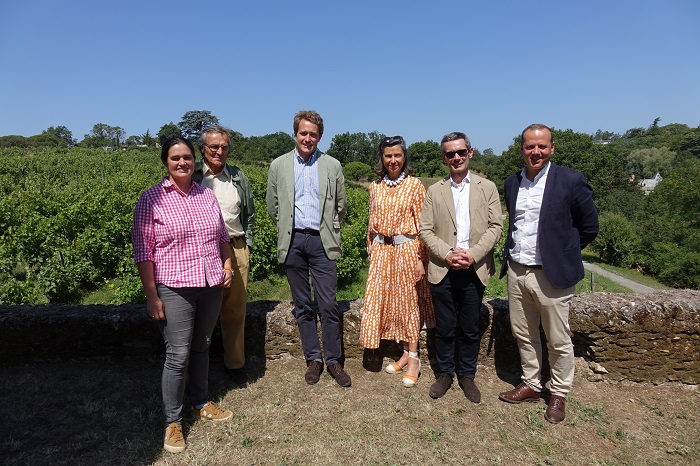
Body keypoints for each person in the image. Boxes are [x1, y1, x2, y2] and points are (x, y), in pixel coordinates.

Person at [132, 136, 234, 453]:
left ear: (195, 160)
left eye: (187, 157)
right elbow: (143, 252)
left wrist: (228, 267)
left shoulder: (206, 196)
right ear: (166, 162)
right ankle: (172, 422)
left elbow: (221, 236)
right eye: (175, 158)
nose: (182, 163)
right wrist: (152, 295)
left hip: (210, 285)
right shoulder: (151, 200)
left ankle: (200, 402)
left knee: (202, 345)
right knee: (178, 355)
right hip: (174, 286)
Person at [498, 124, 599, 424]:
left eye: (542, 146)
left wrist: (564, 252)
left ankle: (558, 392)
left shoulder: (570, 180)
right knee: (524, 333)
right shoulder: (511, 182)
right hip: (517, 270)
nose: (536, 152)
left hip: (551, 275)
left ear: (552, 148)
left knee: (558, 338)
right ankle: (531, 383)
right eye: (530, 146)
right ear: (522, 149)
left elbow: (590, 226)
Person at [266, 110, 351, 387]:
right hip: (293, 241)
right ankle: (313, 359)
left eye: (313, 134)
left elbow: (340, 206)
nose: (307, 138)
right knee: (302, 305)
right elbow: (273, 206)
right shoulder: (278, 165)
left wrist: (329, 228)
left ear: (319, 136)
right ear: (295, 133)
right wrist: (288, 228)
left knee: (328, 304)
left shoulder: (332, 165)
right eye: (303, 133)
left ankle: (334, 361)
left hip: (321, 240)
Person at [419, 132, 503, 403]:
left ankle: (467, 375)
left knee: (469, 327)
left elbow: (496, 227)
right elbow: (425, 230)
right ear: (444, 158)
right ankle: (444, 374)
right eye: (450, 154)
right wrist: (447, 253)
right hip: (443, 267)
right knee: (444, 327)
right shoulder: (435, 190)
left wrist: (473, 254)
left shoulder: (487, 187)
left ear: (470, 152)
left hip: (474, 267)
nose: (456, 157)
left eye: (461, 152)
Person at [359, 135, 434, 388]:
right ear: (382, 158)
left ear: (404, 158)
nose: (393, 160)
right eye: (388, 156)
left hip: (407, 250)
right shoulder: (375, 187)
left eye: (397, 155)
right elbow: (371, 224)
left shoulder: (414, 186)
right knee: (389, 304)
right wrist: (373, 251)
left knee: (409, 304)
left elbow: (424, 226)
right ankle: (402, 354)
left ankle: (414, 358)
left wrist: (421, 259)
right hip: (382, 252)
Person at [193, 125, 255, 386]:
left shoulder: (238, 176)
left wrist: (246, 245)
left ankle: (235, 363)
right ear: (203, 149)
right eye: (213, 147)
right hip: (200, 250)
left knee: (234, 309)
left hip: (235, 246)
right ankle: (196, 365)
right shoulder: (192, 174)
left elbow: (249, 214)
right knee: (198, 310)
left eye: (224, 147)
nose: (219, 151)